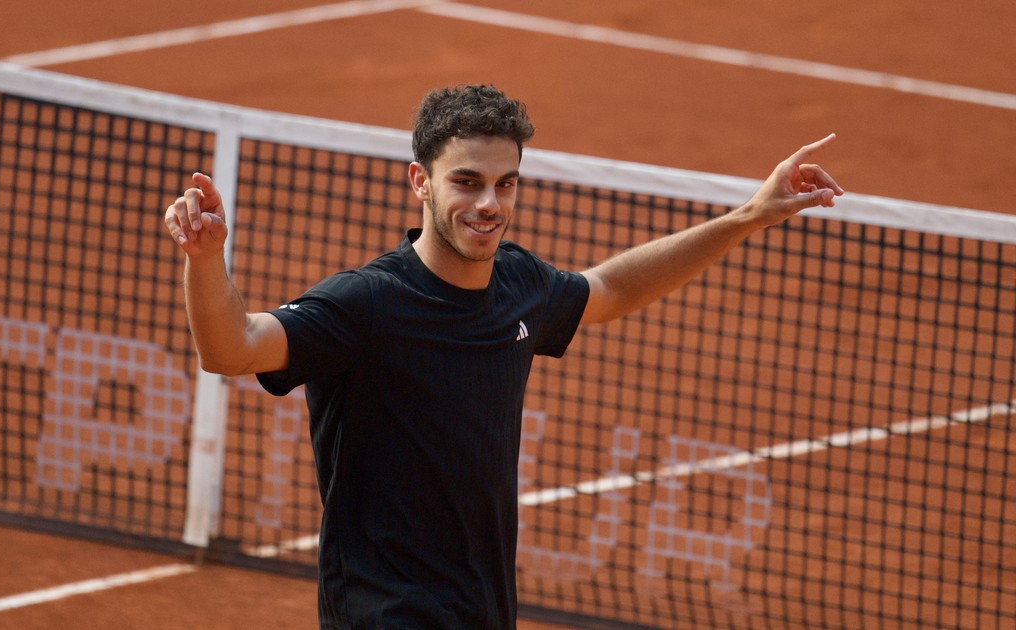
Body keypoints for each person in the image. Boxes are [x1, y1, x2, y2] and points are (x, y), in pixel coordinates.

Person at [164, 84, 842, 629]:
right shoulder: (367, 303)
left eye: (506, 184)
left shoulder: (518, 284)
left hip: (483, 608)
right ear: (420, 181)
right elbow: (234, 348)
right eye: (467, 182)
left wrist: (747, 216)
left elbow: (610, 289)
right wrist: (204, 259)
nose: (489, 204)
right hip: (384, 612)